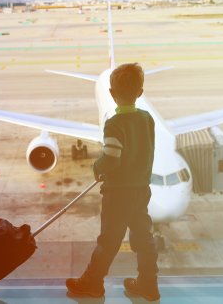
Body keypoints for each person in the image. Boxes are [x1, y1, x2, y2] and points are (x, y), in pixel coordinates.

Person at [66, 63, 159, 301]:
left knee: (108, 241)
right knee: (143, 238)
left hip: (118, 194)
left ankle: (92, 283)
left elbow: (112, 159)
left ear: (111, 93)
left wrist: (97, 168)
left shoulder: (114, 124)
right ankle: (148, 284)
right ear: (140, 92)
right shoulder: (147, 120)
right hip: (141, 190)